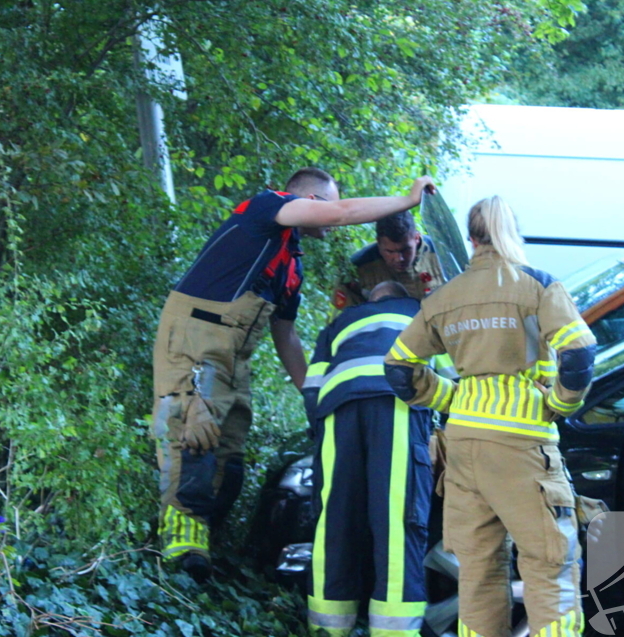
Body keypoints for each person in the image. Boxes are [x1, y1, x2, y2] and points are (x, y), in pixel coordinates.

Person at [153, 167, 435, 581]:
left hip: (234, 357)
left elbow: (285, 336)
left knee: (228, 452)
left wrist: (316, 397)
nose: (333, 219)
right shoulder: (269, 206)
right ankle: (180, 556)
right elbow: (339, 213)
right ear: (311, 202)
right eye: (329, 203)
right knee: (193, 440)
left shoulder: (290, 264)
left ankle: (207, 548)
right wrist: (409, 200)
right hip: (197, 342)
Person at [384, 196, 596, 637]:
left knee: (477, 578)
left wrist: (452, 399)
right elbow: (580, 355)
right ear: (510, 234)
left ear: (471, 238)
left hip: (463, 449)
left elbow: (398, 367)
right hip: (523, 447)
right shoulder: (537, 286)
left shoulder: (445, 297)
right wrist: (559, 402)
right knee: (549, 572)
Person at [303, 281, 437, 637]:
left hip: (337, 408)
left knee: (334, 522)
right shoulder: (421, 313)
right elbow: (448, 378)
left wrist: (322, 430)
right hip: (395, 401)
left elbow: (312, 387)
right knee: (397, 521)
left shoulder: (341, 322)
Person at [332, 211, 446, 310]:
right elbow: (347, 319)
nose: (399, 258)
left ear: (416, 238)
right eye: (390, 252)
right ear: (378, 242)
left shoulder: (443, 254)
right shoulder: (358, 269)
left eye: (405, 250)